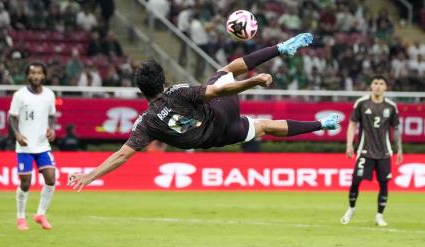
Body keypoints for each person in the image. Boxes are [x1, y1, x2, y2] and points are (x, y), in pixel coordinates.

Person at [68, 33, 340, 191]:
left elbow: (121, 155)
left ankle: (321, 124)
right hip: (221, 113)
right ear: (163, 82)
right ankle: (281, 48)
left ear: (142, 91)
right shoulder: (177, 92)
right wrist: (253, 81)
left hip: (218, 138)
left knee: (266, 127)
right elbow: (220, 92)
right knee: (224, 72)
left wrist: (89, 176)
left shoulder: (145, 123)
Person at [341, 75, 402, 227]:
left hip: (384, 152)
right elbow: (352, 124)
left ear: (386, 87)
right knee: (356, 181)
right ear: (371, 86)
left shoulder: (391, 106)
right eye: (375, 83)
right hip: (364, 151)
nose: (378, 86)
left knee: (384, 184)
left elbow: (396, 129)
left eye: (381, 83)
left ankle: (379, 216)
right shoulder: (362, 103)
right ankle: (351, 208)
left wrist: (399, 149)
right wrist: (349, 144)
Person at [9, 62, 57, 231]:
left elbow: (52, 115)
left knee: (51, 179)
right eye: (33, 73)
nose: (36, 76)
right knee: (25, 183)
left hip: (43, 145)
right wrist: (17, 135)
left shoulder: (49, 95)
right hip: (25, 147)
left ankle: (40, 214)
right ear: (28, 76)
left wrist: (51, 128)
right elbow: (12, 118)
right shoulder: (20, 95)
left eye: (39, 73)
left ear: (44, 75)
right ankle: (21, 217)